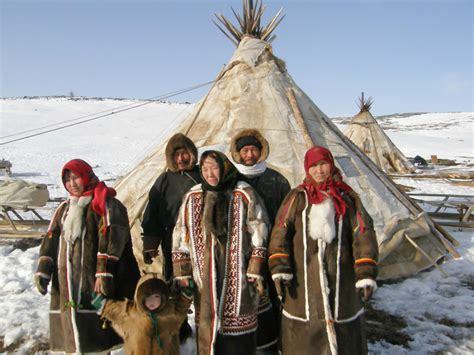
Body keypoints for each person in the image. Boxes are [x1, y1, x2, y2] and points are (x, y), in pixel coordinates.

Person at [268, 146, 379, 355]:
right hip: (303, 281)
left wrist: (365, 272)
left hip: (342, 278)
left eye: (323, 164)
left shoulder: (348, 197)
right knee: (305, 331)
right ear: (307, 169)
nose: (319, 171)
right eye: (313, 166)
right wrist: (280, 267)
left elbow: (363, 234)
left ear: (331, 164)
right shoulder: (297, 197)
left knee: (343, 326)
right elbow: (280, 231)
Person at [34, 159, 140, 353]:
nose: (72, 183)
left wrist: (103, 274)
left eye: (76, 177)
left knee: (97, 340)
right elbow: (51, 239)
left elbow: (113, 239)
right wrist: (44, 269)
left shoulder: (105, 204)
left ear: (86, 176)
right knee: (74, 340)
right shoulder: (64, 209)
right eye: (67, 179)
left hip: (95, 283)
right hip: (67, 285)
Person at [172, 150, 269, 355]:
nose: (209, 173)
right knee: (208, 329)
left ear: (224, 167)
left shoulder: (243, 193)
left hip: (239, 278)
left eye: (214, 167)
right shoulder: (193, 196)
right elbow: (181, 237)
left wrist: (254, 268)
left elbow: (259, 229)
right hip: (204, 279)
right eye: (205, 169)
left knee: (237, 334)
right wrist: (183, 273)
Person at [230, 129, 291, 352]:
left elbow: (288, 214)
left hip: (273, 246)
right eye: (245, 150)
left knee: (273, 295)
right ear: (238, 153)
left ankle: (274, 340)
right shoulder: (231, 178)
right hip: (241, 250)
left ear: (261, 151)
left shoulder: (276, 179)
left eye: (254, 149)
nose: (249, 154)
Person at [141, 133, 201, 342]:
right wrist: (150, 244)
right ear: (170, 158)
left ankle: (206, 324)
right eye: (176, 155)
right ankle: (180, 326)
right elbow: (153, 212)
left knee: (204, 281)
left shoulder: (204, 175)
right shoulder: (164, 180)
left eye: (185, 153)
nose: (181, 159)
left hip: (202, 238)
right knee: (175, 282)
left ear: (192, 154)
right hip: (173, 241)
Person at [91, 273, 194, 355]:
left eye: (156, 297)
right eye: (147, 297)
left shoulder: (170, 312)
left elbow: (181, 308)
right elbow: (114, 311)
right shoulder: (131, 313)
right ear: (140, 297)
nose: (152, 301)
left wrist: (186, 295)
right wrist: (102, 304)